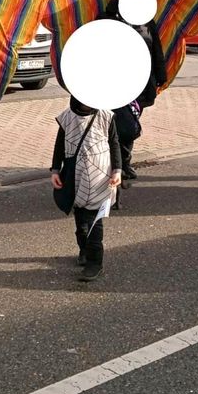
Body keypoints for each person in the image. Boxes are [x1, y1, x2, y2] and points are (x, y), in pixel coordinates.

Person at [99, 0, 167, 184]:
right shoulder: (107, 18)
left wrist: (160, 76)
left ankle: (124, 163)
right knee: (116, 124)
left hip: (142, 82)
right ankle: (112, 165)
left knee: (131, 123)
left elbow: (157, 49)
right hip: (115, 81)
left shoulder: (147, 20)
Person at [50, 96, 122, 282]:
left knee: (94, 220)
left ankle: (95, 261)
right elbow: (59, 145)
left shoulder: (106, 115)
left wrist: (117, 170)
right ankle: (84, 249)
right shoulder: (67, 117)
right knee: (80, 217)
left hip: (100, 176)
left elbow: (114, 144)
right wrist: (55, 170)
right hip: (75, 175)